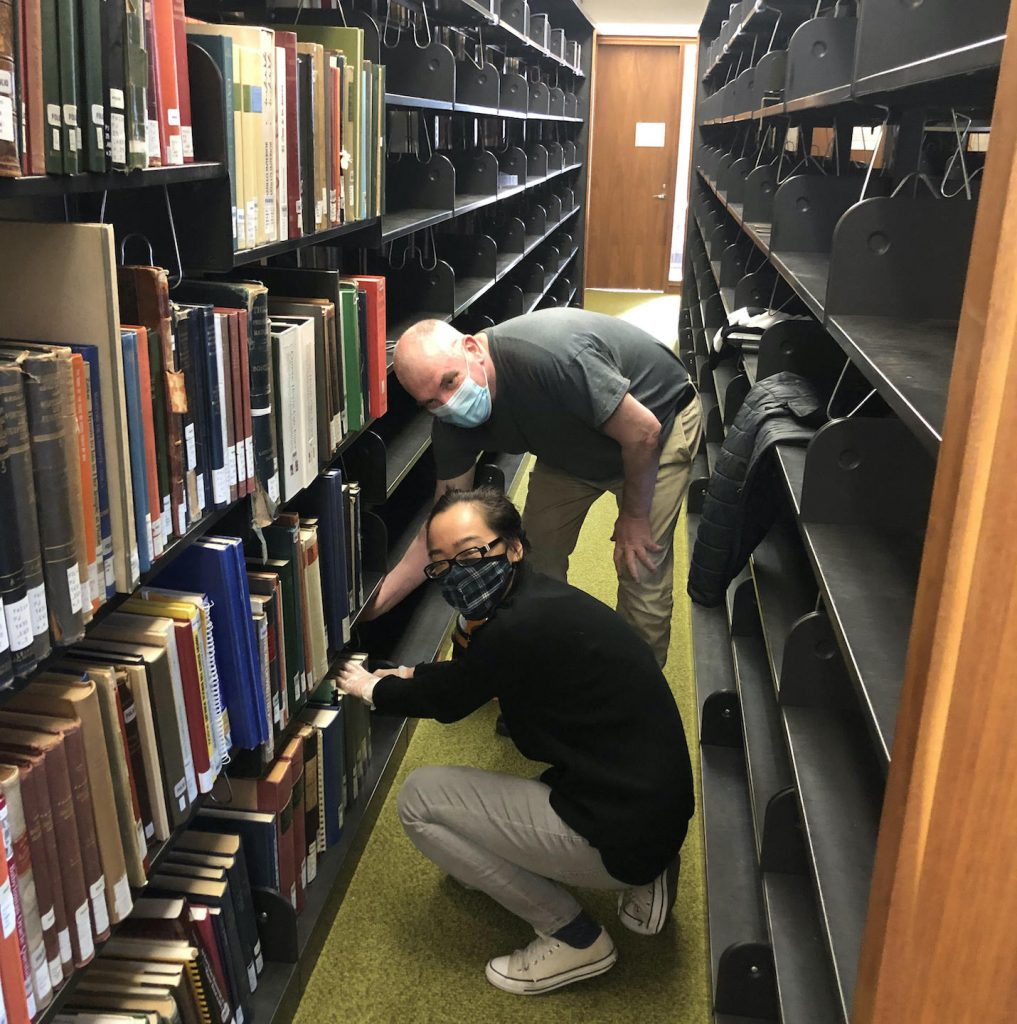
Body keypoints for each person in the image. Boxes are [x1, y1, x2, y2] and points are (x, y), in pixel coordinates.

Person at [337, 487, 695, 995]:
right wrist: (413, 674)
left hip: (623, 825)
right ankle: (647, 869)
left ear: (515, 546)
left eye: (471, 552)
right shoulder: (538, 602)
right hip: (647, 801)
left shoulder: (512, 630)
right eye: (441, 564)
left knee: (420, 801)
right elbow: (474, 673)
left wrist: (374, 688)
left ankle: (574, 938)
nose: (458, 571)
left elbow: (454, 699)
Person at [363, 307, 703, 667]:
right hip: (570, 446)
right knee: (532, 558)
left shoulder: (549, 356)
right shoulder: (450, 423)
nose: (447, 403)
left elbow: (643, 433)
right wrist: (376, 604)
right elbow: (440, 525)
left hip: (656, 429)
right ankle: (548, 674)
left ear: (472, 348)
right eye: (430, 402)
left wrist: (634, 516)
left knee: (640, 566)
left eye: (449, 381)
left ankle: (636, 689)